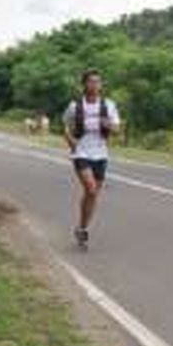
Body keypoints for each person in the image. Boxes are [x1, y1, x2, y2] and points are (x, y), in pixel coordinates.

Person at [62, 69, 121, 248]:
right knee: (91, 189)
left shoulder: (108, 105)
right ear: (84, 85)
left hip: (101, 153)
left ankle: (82, 228)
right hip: (81, 152)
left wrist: (109, 125)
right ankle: (83, 228)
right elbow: (65, 125)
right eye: (91, 82)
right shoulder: (75, 106)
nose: (95, 85)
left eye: (98, 82)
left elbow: (117, 130)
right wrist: (70, 140)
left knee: (92, 195)